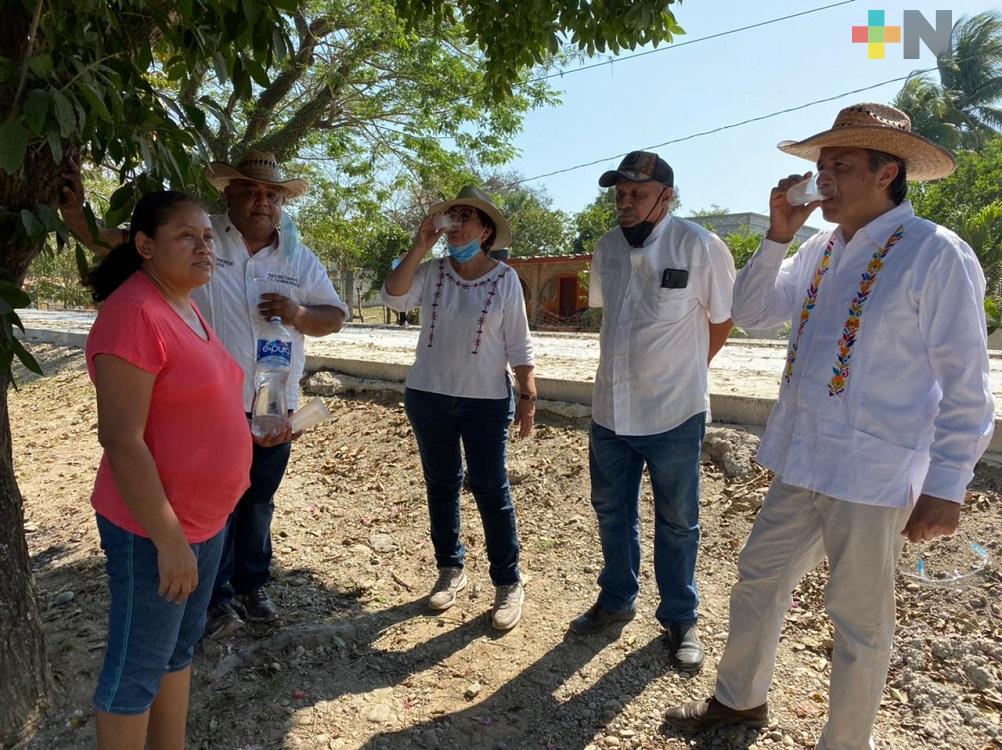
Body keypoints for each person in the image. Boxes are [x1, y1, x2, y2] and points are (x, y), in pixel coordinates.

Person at [665, 104, 995, 749]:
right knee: (759, 577)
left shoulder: (934, 252)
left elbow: (967, 383)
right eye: (821, 167)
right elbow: (755, 313)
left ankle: (846, 743)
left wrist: (947, 484)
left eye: (840, 166)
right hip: (803, 459)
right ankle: (739, 701)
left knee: (860, 619)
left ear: (887, 172)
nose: (824, 180)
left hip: (875, 471)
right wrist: (776, 235)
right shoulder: (818, 247)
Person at [60, 151, 349, 637]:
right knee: (213, 506)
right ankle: (213, 599)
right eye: (251, 190)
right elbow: (120, 245)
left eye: (272, 194)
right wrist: (75, 215)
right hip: (207, 410)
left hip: (273, 408)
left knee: (258, 500)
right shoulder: (201, 237)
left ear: (281, 202)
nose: (262, 201)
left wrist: (298, 314)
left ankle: (252, 585)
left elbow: (334, 316)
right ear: (228, 193)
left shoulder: (298, 256)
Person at [84, 191, 252, 748]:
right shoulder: (132, 313)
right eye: (187, 236)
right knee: (136, 668)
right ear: (145, 246)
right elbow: (121, 439)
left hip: (203, 521)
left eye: (208, 236)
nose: (205, 246)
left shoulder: (183, 302)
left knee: (178, 651)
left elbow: (193, 408)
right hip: (154, 529)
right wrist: (169, 540)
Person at [568, 151, 736, 674]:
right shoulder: (606, 249)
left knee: (679, 520)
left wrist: (687, 370)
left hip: (674, 413)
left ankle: (681, 616)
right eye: (619, 193)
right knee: (612, 512)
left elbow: (721, 321)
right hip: (610, 411)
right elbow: (612, 318)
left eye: (637, 193)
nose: (625, 202)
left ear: (666, 195)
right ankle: (616, 599)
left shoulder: (700, 246)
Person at [380, 186, 536, 631]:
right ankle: (451, 570)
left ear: (485, 231)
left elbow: (519, 344)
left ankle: (508, 581)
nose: (456, 223)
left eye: (466, 216)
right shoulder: (431, 272)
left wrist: (527, 396)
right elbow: (393, 296)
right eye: (452, 216)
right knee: (442, 484)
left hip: (486, 401)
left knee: (490, 486)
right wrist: (419, 245)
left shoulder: (503, 279)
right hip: (428, 396)